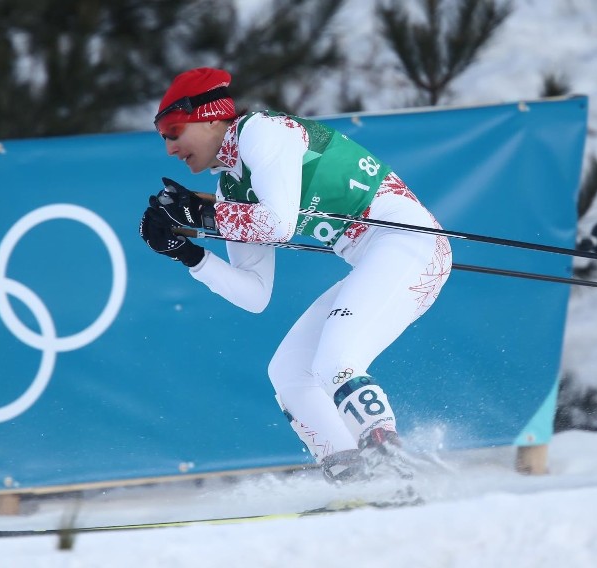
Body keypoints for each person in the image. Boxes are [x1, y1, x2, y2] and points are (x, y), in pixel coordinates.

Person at [139, 67, 452, 484]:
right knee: (289, 373)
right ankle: (356, 477)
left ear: (212, 117)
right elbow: (255, 295)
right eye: (163, 137)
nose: (170, 148)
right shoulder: (233, 187)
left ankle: (391, 458)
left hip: (407, 242)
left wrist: (203, 214)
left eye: (174, 131)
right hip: (373, 253)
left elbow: (278, 225)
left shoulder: (258, 131)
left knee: (336, 360)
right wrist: (190, 254)